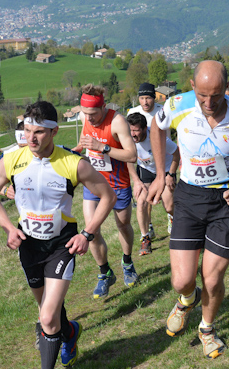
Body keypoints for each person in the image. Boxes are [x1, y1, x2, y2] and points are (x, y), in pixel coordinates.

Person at [0, 101, 116, 369]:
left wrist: (88, 233)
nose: (31, 138)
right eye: (27, 131)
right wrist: (8, 228)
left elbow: (107, 195)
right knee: (49, 311)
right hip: (29, 246)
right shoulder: (11, 160)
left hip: (62, 245)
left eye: (39, 132)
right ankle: (70, 332)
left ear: (54, 131)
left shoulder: (74, 163)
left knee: (45, 318)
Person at [148, 61, 229, 359]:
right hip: (189, 197)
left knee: (212, 277)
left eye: (217, 96)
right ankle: (187, 299)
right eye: (203, 96)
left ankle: (207, 328)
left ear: (226, 89)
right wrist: (160, 174)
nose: (209, 103)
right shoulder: (177, 104)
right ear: (192, 86)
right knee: (182, 280)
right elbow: (156, 127)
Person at [74, 83, 140, 296]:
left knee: (123, 225)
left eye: (93, 114)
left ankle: (127, 262)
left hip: (118, 183)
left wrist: (103, 147)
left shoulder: (117, 121)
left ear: (102, 108)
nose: (89, 118)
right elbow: (84, 144)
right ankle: (104, 273)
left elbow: (132, 155)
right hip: (94, 182)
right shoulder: (85, 118)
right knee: (90, 230)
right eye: (85, 114)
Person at [126, 112, 179, 255]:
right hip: (146, 171)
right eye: (130, 130)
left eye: (136, 130)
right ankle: (145, 238)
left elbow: (176, 154)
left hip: (166, 169)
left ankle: (177, 221)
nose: (133, 134)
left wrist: (172, 174)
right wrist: (136, 181)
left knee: (168, 206)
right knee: (141, 201)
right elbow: (129, 159)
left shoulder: (156, 137)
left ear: (144, 129)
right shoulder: (128, 138)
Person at [127, 82, 165, 241]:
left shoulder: (162, 111)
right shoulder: (133, 112)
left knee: (166, 197)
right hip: (144, 162)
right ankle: (147, 228)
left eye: (148, 98)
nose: (145, 102)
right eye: (142, 98)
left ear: (154, 98)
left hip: (163, 157)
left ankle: (171, 217)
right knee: (144, 198)